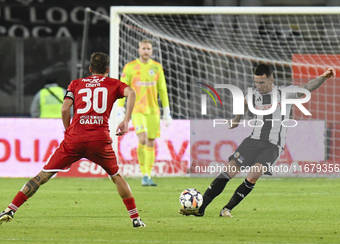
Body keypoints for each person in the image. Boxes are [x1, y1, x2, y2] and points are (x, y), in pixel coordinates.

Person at [0, 52, 146, 228]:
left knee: (43, 175)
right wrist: (126, 121)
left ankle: (10, 209)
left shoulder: (76, 84)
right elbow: (131, 93)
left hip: (74, 139)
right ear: (107, 69)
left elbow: (64, 109)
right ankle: (135, 219)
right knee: (116, 176)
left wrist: (69, 130)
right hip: (99, 139)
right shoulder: (113, 84)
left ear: (90, 68)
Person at [180, 63, 336, 217]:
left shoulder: (285, 93)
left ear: (271, 80)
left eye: (261, 82)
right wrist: (236, 119)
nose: (258, 85)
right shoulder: (253, 95)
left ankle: (226, 209)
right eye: (256, 82)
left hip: (273, 145)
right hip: (252, 141)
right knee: (228, 171)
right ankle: (201, 209)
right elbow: (244, 103)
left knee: (253, 175)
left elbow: (307, 88)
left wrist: (323, 76)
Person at [117, 39, 172, 186]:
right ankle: (144, 174)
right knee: (142, 138)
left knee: (151, 141)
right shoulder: (130, 67)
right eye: (144, 48)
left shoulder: (157, 67)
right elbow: (122, 87)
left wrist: (166, 110)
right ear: (139, 50)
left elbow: (162, 89)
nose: (146, 51)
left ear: (152, 51)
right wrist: (120, 107)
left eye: (149, 48)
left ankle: (148, 174)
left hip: (153, 110)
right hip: (137, 110)